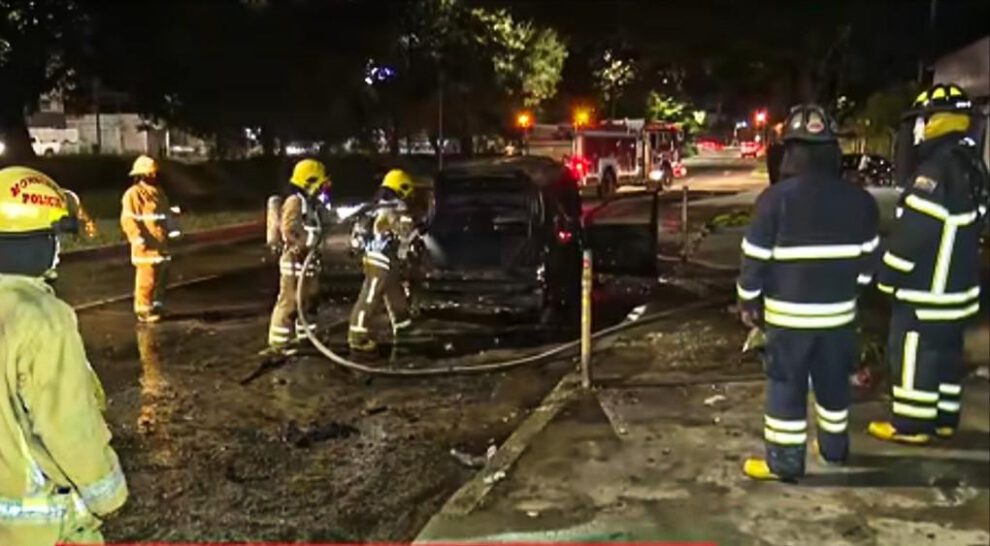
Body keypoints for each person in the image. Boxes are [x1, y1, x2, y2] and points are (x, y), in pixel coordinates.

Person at [736, 105, 880, 481]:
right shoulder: (860, 201)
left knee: (787, 388)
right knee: (834, 385)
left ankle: (784, 464)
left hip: (788, 323)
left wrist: (748, 302)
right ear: (832, 150)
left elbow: (754, 262)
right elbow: (868, 266)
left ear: (790, 151)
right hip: (839, 320)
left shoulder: (774, 200)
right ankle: (834, 451)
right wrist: (850, 295)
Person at [0, 166, 128, 545]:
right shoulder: (43, 320)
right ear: (37, 240)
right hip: (39, 527)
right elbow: (69, 425)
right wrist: (108, 495)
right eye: (55, 236)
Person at [869, 83, 989, 444]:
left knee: (913, 354)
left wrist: (888, 275)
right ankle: (944, 419)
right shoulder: (972, 166)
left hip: (927, 294)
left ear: (937, 120)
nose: (919, 129)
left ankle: (911, 424)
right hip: (960, 292)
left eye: (922, 120)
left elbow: (914, 236)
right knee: (947, 357)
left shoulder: (935, 172)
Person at [347, 169, 418, 355]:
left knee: (396, 296)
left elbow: (356, 238)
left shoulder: (374, 208)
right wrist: (414, 226)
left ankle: (403, 326)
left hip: (386, 261)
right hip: (380, 260)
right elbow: (406, 234)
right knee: (370, 297)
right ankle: (357, 336)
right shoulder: (390, 209)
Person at [263, 159, 329, 356]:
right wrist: (309, 241)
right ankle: (278, 343)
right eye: (319, 184)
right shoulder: (295, 201)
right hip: (295, 262)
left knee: (309, 300)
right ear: (309, 181)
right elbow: (289, 228)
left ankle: (306, 336)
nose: (321, 189)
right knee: (290, 301)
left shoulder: (309, 204)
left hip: (307, 261)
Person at [120, 155, 180, 323]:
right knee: (147, 279)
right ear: (141, 175)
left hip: (160, 243)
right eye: (149, 174)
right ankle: (143, 310)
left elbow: (166, 215)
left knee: (161, 279)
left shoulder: (159, 193)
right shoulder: (133, 195)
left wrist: (173, 229)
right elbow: (128, 219)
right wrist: (136, 237)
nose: (153, 177)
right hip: (145, 246)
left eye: (154, 173)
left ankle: (157, 306)